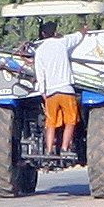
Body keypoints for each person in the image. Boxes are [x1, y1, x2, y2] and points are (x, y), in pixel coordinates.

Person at [34, 20, 89, 156]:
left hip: (51, 93)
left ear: (42, 34)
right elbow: (78, 36)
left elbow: (40, 74)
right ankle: (65, 148)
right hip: (66, 91)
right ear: (55, 32)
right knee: (70, 121)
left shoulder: (39, 51)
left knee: (51, 122)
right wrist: (84, 29)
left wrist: (43, 91)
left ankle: (49, 150)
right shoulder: (62, 43)